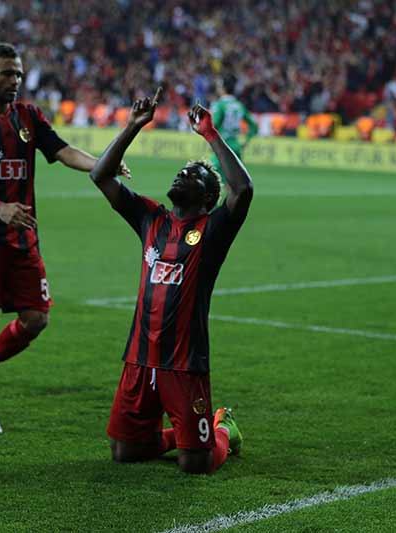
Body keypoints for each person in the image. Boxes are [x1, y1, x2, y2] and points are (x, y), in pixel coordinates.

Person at [0, 42, 128, 434]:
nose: (15, 80)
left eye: (19, 73)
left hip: (24, 234)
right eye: (7, 73)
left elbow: (61, 151)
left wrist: (103, 164)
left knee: (36, 318)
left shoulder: (27, 117)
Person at [89, 87, 254, 474]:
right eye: (182, 171)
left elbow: (242, 189)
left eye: (194, 174)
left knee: (195, 465)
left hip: (184, 362)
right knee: (124, 453)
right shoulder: (151, 219)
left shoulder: (212, 230)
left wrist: (211, 136)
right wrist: (132, 126)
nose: (182, 173)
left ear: (208, 196)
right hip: (139, 358)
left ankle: (222, 428)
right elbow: (101, 175)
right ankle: (176, 437)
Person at [211, 75, 257, 193]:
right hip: (236, 147)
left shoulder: (220, 105)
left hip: (222, 147)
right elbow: (254, 126)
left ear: (223, 88)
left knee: (212, 181)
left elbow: (213, 124)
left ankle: (213, 211)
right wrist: (246, 141)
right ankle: (234, 210)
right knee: (234, 185)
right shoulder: (239, 105)